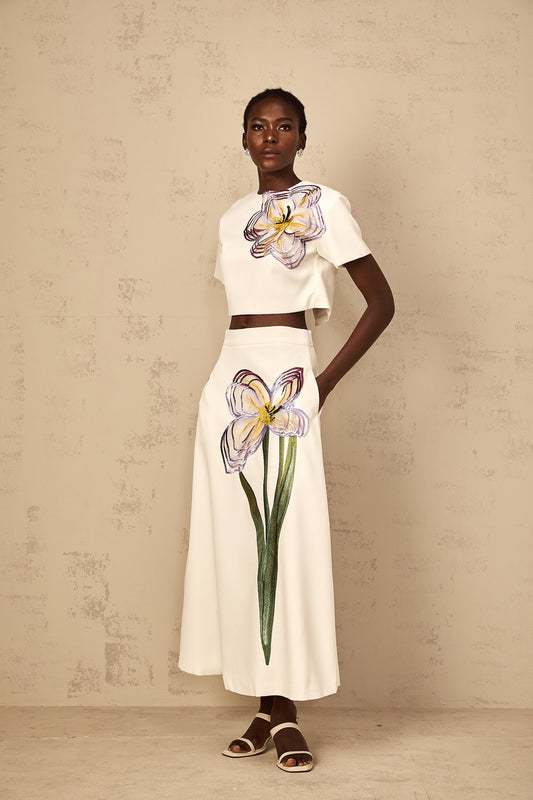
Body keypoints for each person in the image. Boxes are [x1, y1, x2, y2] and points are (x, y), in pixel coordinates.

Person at [178, 88, 394, 772]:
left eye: (283, 126)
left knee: (285, 538)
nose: (269, 136)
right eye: (257, 126)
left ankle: (288, 710)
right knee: (244, 544)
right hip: (231, 382)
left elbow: (382, 303)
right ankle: (267, 709)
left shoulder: (322, 206)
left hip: (289, 376)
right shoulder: (232, 218)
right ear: (243, 138)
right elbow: (241, 304)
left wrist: (321, 385)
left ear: (302, 136)